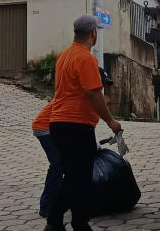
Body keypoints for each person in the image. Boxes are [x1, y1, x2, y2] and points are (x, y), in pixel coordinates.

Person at [42, 14, 123, 231]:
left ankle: (54, 223)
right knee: (80, 181)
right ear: (93, 33)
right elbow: (94, 94)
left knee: (72, 177)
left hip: (58, 123)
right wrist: (111, 121)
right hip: (76, 125)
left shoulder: (64, 55)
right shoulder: (86, 59)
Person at [32, 65, 113, 217]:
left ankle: (63, 200)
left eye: (103, 83)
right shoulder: (80, 95)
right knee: (58, 163)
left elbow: (84, 125)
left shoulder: (90, 97)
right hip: (45, 128)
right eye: (100, 82)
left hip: (58, 128)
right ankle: (46, 204)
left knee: (68, 165)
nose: (102, 86)